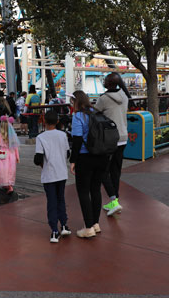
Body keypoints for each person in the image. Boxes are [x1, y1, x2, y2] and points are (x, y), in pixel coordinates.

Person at [70, 90, 107, 238]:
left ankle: (88, 227)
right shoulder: (96, 112)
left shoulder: (78, 116)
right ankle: (96, 224)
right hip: (101, 156)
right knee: (96, 190)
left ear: (76, 102)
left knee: (83, 191)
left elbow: (77, 140)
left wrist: (73, 161)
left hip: (86, 158)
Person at [95, 72, 129, 216]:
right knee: (116, 170)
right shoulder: (125, 96)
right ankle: (115, 199)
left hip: (109, 139)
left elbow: (95, 113)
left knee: (103, 170)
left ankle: (114, 200)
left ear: (107, 83)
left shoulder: (103, 99)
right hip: (123, 137)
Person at [35, 110, 71, 243]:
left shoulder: (41, 137)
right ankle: (65, 225)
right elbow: (67, 153)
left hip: (49, 174)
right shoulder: (63, 135)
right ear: (57, 121)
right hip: (62, 173)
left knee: (52, 202)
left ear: (44, 121)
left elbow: (38, 158)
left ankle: (54, 230)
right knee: (61, 198)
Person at [0, 116, 20, 194]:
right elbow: (15, 147)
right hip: (12, 154)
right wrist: (17, 156)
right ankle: (7, 184)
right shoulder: (12, 135)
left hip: (3, 154)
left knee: (3, 170)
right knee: (10, 170)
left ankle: (9, 186)